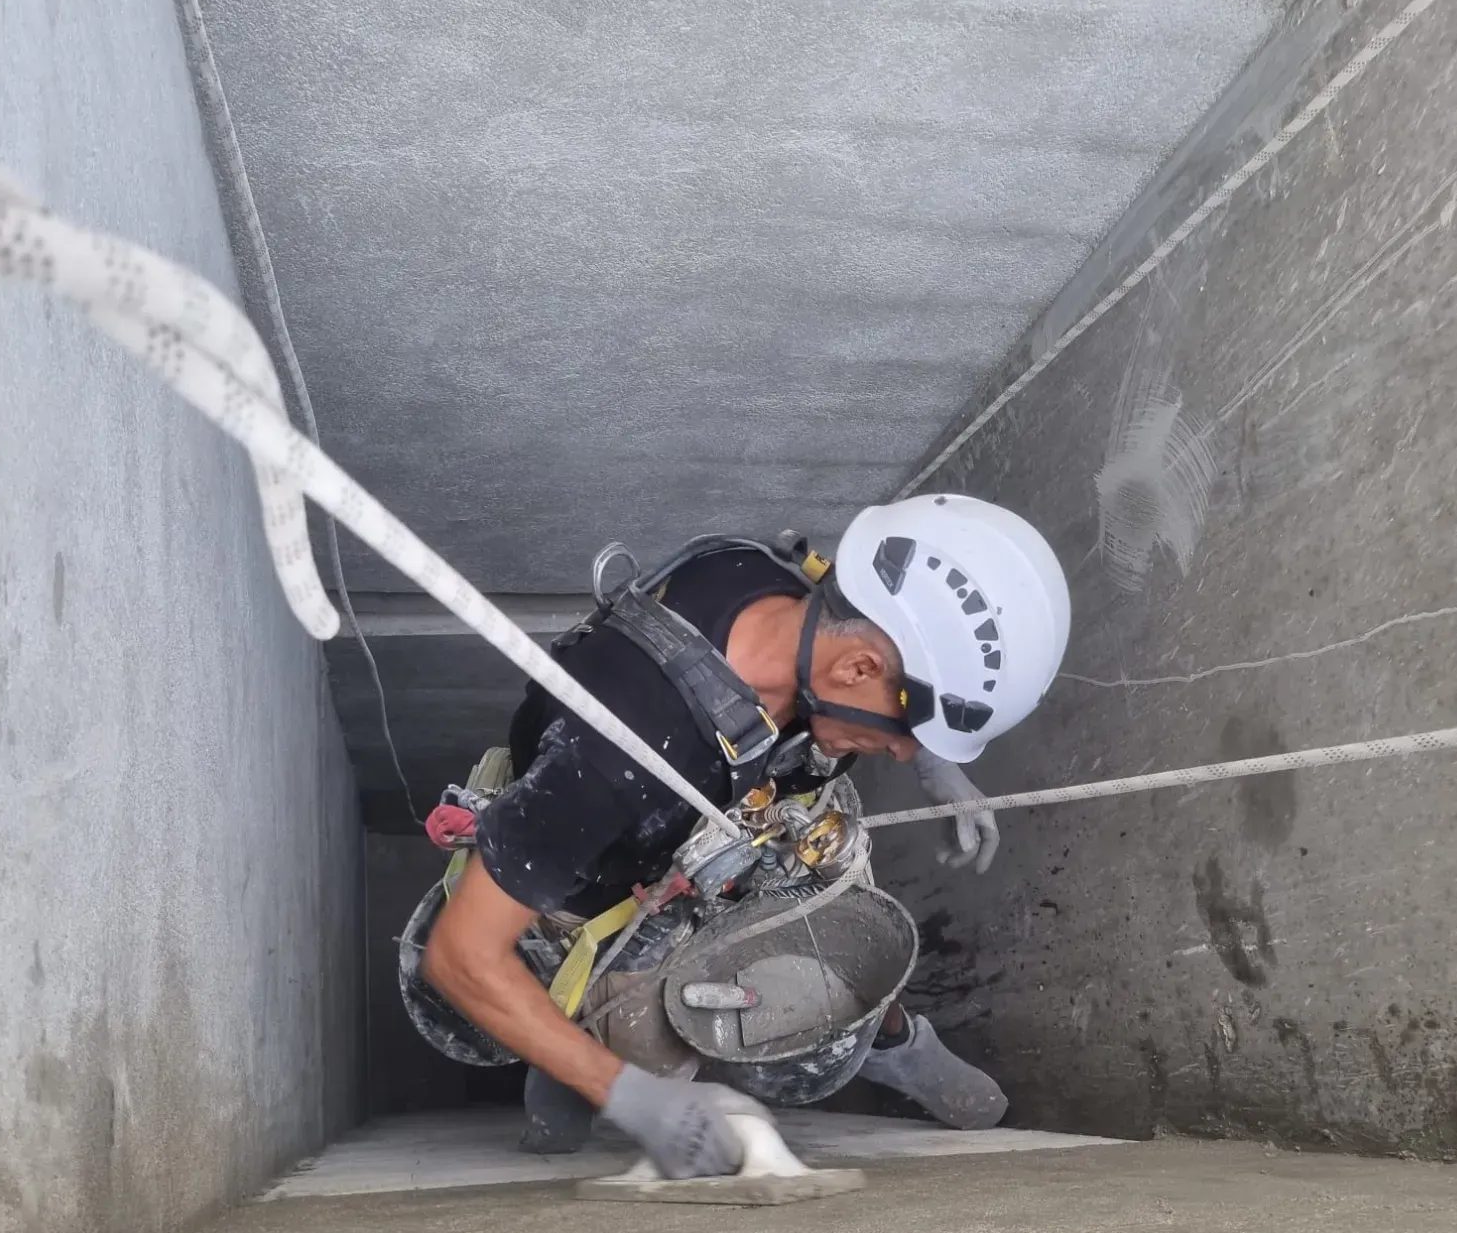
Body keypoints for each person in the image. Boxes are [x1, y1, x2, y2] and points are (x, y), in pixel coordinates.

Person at [423, 494, 1070, 1181]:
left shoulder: (772, 587)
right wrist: (631, 1098)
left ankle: (891, 1040)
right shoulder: (614, 757)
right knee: (651, 1047)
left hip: (733, 819)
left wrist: (941, 765)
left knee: (841, 929)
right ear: (857, 670)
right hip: (613, 882)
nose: (906, 757)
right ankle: (579, 1042)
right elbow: (461, 956)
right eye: (909, 738)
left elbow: (887, 654)